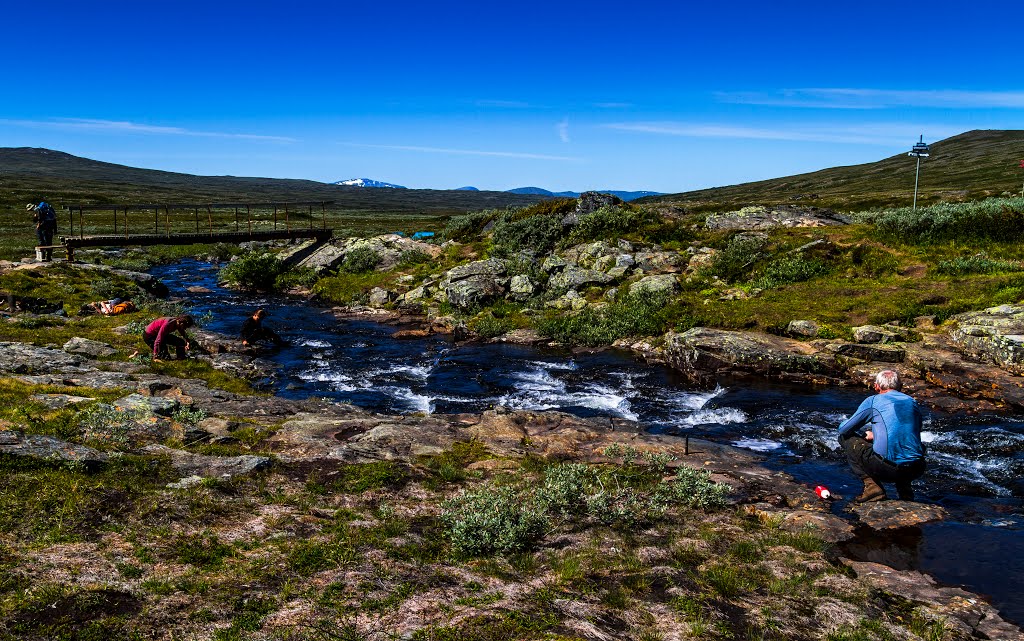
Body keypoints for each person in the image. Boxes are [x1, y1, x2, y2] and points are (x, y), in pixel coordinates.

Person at [838, 370, 927, 503]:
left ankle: (872, 487)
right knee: (908, 447)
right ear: (900, 386)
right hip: (916, 468)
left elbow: (844, 429)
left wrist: (863, 434)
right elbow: (912, 431)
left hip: (886, 468)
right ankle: (905, 489)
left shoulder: (873, 401)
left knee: (846, 438)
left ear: (876, 386)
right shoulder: (912, 402)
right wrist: (877, 435)